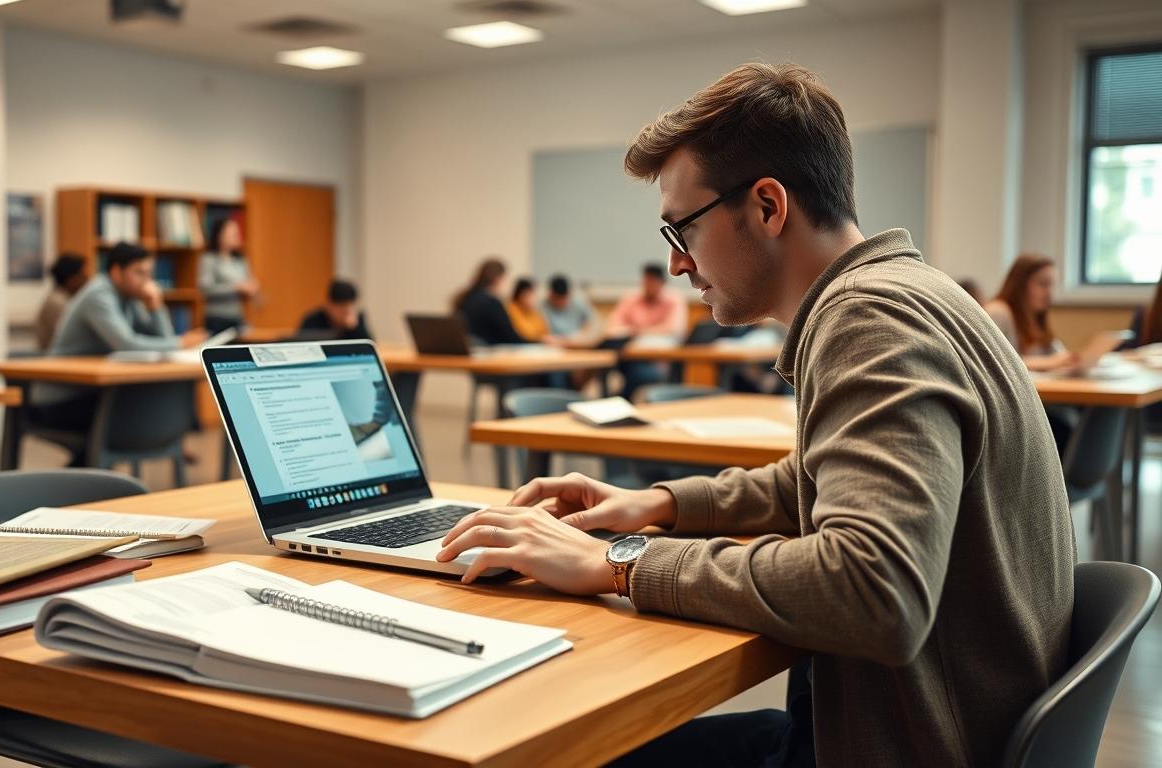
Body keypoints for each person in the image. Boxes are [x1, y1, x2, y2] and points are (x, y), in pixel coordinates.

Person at [436, 62, 1073, 768]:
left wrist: (617, 562)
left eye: (682, 230)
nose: (677, 264)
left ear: (768, 206)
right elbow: (818, 479)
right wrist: (656, 505)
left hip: (904, 751)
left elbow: (874, 588)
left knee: (549, 754)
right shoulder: (911, 291)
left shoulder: (870, 322)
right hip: (924, 731)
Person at [33, 243, 208, 463]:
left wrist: (156, 306)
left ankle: (90, 474)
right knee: (130, 410)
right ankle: (89, 477)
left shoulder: (129, 297)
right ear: (117, 272)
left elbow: (161, 339)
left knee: (135, 406)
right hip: (61, 398)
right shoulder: (98, 295)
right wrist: (179, 343)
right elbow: (128, 344)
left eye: (149, 274)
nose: (146, 281)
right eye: (139, 273)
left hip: (95, 392)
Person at [984, 254, 1075, 372]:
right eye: (1043, 284)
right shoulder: (998, 312)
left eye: (1052, 285)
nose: (1050, 293)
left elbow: (1060, 356)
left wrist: (1069, 360)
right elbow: (992, 361)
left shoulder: (1035, 316)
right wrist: (1049, 362)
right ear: (1020, 285)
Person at [608, 263, 687, 399]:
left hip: (658, 360)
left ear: (663, 283)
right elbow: (612, 327)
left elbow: (674, 329)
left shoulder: (674, 300)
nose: (648, 285)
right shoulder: (631, 299)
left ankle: (623, 398)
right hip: (629, 356)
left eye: (652, 282)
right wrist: (638, 331)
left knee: (642, 375)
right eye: (645, 281)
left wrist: (638, 331)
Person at [198, 218, 257, 334]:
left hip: (237, 317)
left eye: (236, 233)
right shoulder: (209, 259)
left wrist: (252, 288)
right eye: (231, 233)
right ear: (219, 235)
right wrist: (236, 287)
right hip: (216, 319)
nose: (236, 236)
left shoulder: (240, 261)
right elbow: (205, 289)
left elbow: (248, 284)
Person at [452, 257, 525, 345]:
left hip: (469, 348)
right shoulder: (492, 303)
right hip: (488, 349)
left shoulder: (465, 298)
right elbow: (509, 336)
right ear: (498, 279)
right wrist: (534, 342)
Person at [35, 253, 88, 350]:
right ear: (70, 279)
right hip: (55, 357)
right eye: (82, 275)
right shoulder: (57, 302)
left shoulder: (66, 299)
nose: (86, 279)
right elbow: (74, 337)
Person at [298, 279, 373, 340]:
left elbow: (370, 346)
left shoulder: (358, 318)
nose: (347, 311)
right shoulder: (313, 319)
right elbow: (303, 343)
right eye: (342, 306)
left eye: (351, 306)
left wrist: (354, 329)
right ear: (328, 304)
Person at [541, 274, 598, 340]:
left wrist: (582, 334)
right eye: (557, 298)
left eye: (564, 298)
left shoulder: (579, 303)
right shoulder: (542, 306)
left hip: (576, 341)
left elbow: (592, 322)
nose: (560, 302)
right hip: (553, 342)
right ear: (551, 295)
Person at [506, 278, 549, 342]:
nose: (532, 298)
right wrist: (541, 338)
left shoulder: (534, 311)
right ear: (519, 295)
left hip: (537, 344)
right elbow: (523, 333)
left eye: (533, 294)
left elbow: (545, 331)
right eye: (528, 295)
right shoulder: (511, 309)